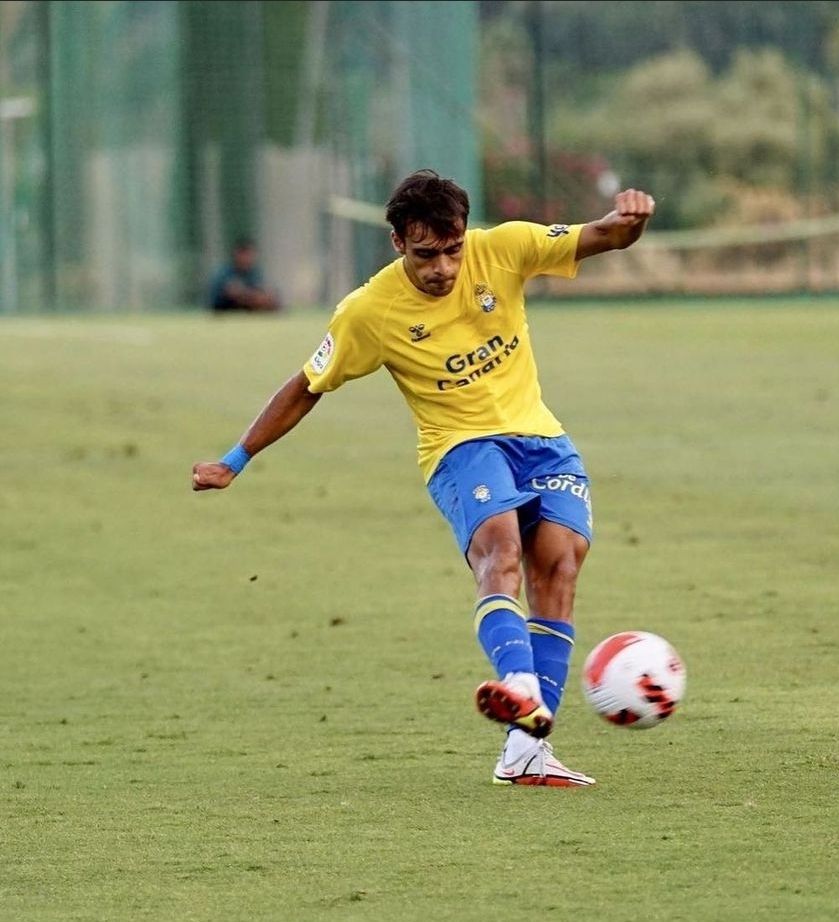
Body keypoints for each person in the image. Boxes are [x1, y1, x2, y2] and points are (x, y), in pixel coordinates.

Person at [192, 170, 655, 786]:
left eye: (453, 249)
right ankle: (519, 681)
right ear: (397, 243)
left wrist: (633, 222)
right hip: (460, 448)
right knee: (501, 551)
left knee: (560, 566)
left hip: (542, 440)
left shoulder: (505, 247)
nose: (443, 267)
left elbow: (605, 235)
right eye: (426, 254)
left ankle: (525, 750)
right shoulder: (369, 311)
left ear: (466, 233)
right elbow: (307, 385)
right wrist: (235, 458)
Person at [208, 238, 281, 313]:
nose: (247, 258)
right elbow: (232, 292)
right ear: (236, 254)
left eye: (250, 255)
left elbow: (264, 291)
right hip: (224, 310)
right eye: (244, 254)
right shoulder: (225, 272)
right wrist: (253, 297)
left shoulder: (254, 273)